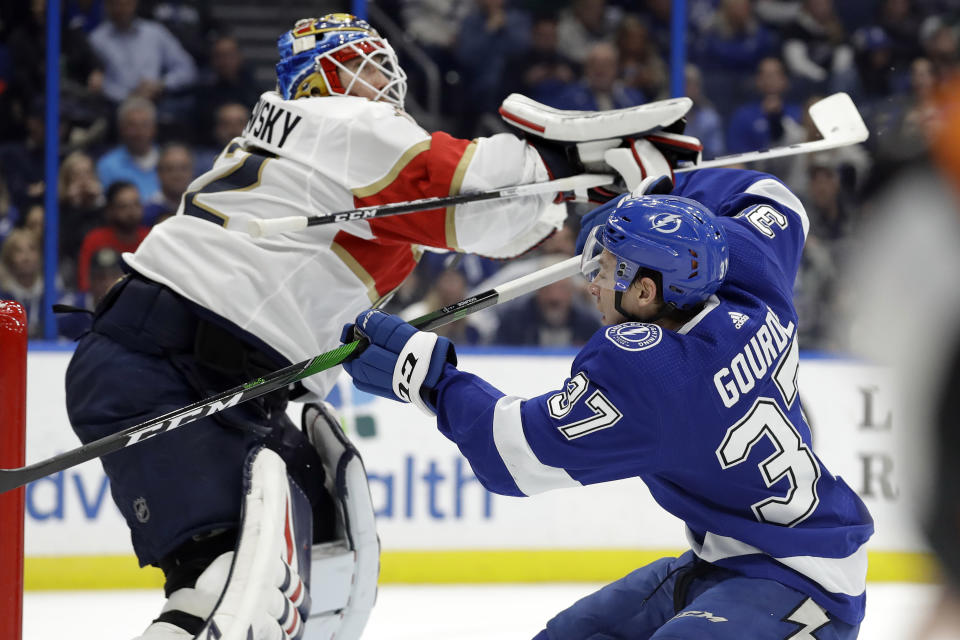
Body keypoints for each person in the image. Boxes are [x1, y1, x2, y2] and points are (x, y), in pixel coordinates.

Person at [63, 13, 668, 640]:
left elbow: (490, 220)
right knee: (227, 590)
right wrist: (591, 158)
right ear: (320, 75)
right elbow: (484, 187)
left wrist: (577, 187)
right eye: (369, 65)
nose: (385, 82)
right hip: (172, 367)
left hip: (202, 372)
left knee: (320, 574)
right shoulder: (344, 124)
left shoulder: (317, 147)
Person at [339, 167, 874, 639]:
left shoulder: (658, 375)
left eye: (609, 267)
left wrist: (429, 380)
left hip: (806, 586)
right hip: (732, 559)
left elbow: (513, 455)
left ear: (645, 293)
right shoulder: (748, 273)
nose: (591, 282)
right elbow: (773, 198)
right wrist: (660, 195)